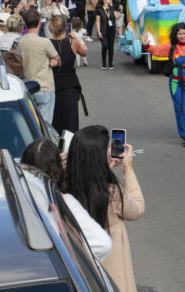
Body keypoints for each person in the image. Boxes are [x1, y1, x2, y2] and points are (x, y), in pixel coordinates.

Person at [64, 125, 144, 292]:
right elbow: (137, 209)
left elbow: (87, 181)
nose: (110, 150)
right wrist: (128, 170)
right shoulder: (112, 193)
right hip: (114, 282)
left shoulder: (65, 191)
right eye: (106, 147)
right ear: (97, 157)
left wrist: (102, 171)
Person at [20, 139, 112, 261]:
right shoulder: (64, 201)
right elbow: (102, 244)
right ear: (58, 168)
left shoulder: (12, 198)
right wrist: (75, 264)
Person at [141, 23, 185, 146]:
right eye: (180, 34)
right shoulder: (171, 46)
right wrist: (146, 44)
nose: (182, 36)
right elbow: (155, 50)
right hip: (176, 83)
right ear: (175, 35)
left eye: (184, 33)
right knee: (181, 108)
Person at [19, 8, 61, 122]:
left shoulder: (21, 41)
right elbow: (58, 60)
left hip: (28, 86)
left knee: (32, 124)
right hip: (45, 86)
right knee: (45, 125)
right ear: (39, 22)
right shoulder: (44, 42)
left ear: (25, 24)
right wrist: (54, 62)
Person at [49, 16, 86, 134]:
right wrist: (76, 39)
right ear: (66, 27)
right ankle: (70, 147)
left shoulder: (48, 43)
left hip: (54, 84)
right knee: (71, 122)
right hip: (70, 83)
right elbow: (84, 52)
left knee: (56, 120)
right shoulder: (72, 42)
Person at [95, 0, 116, 70]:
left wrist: (115, 8)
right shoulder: (99, 9)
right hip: (103, 30)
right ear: (104, 0)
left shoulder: (111, 7)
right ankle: (104, 62)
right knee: (105, 46)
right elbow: (97, 21)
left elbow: (116, 16)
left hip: (111, 30)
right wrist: (98, 31)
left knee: (111, 47)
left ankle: (110, 63)